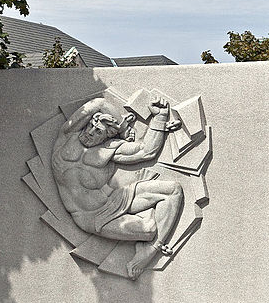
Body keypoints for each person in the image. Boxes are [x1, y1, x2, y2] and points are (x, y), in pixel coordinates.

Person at [52, 96, 185, 278]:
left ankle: (149, 251)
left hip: (115, 200)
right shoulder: (68, 135)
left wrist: (160, 118)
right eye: (91, 126)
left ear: (107, 137)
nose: (90, 132)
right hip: (92, 217)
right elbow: (99, 103)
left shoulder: (109, 149)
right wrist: (124, 128)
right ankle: (147, 227)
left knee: (173, 191)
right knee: (148, 230)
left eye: (98, 132)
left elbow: (146, 151)